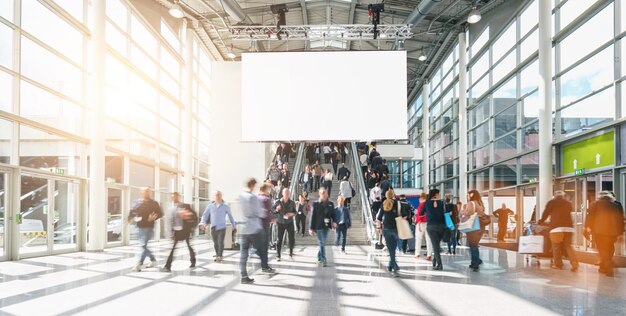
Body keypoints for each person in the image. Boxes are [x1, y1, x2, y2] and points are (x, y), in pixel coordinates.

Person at [239, 178, 274, 284]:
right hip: (254, 228)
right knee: (261, 249)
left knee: (243, 253)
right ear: (253, 185)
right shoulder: (253, 197)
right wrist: (264, 213)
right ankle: (263, 263)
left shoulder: (241, 196)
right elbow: (260, 213)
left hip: (244, 227)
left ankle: (244, 276)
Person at [585, 191, 625, 277]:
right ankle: (603, 267)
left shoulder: (595, 204)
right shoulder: (616, 206)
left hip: (599, 231)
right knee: (610, 248)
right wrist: (621, 233)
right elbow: (620, 220)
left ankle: (608, 266)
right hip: (612, 232)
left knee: (602, 249)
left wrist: (587, 227)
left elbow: (590, 216)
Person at [539, 191, 579, 272]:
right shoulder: (568, 203)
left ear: (554, 196)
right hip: (569, 228)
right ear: (563, 196)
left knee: (556, 246)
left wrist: (541, 221)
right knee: (569, 246)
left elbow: (546, 213)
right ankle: (574, 262)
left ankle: (558, 264)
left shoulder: (551, 202)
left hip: (556, 228)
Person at [129, 187, 163, 272]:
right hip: (139, 226)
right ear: (141, 193)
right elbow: (132, 211)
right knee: (143, 246)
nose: (146, 193)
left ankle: (138, 264)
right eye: (144, 192)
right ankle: (153, 260)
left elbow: (160, 213)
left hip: (149, 227)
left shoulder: (154, 203)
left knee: (143, 245)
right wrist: (129, 219)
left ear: (150, 193)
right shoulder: (137, 202)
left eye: (147, 191)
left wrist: (154, 217)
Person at [200, 191, 237, 263]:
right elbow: (205, 215)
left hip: (222, 227)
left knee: (220, 242)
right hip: (213, 227)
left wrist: (233, 225)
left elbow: (230, 216)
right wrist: (202, 223)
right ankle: (217, 254)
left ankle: (219, 256)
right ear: (214, 196)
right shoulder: (210, 206)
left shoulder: (225, 206)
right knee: (215, 243)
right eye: (216, 195)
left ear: (221, 196)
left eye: (219, 195)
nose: (218, 196)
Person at [376, 190, 407, 276]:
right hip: (396, 228)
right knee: (393, 248)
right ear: (393, 195)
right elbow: (404, 215)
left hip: (386, 228)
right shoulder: (397, 203)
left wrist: (378, 227)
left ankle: (391, 264)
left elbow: (379, 217)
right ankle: (394, 266)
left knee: (391, 249)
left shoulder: (383, 203)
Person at [163, 198, 198, 272]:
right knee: (173, 249)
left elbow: (194, 217)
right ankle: (168, 265)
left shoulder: (186, 206)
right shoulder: (172, 209)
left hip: (186, 231)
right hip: (177, 232)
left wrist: (187, 218)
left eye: (175, 197)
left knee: (189, 246)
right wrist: (171, 232)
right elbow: (171, 221)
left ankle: (193, 261)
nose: (174, 199)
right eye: (173, 197)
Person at [309, 188, 337, 267]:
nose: (324, 194)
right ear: (320, 194)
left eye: (325, 193)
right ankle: (323, 259)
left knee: (322, 242)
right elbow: (312, 216)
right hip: (318, 226)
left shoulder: (330, 204)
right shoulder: (316, 204)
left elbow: (334, 214)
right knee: (322, 242)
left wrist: (334, 222)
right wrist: (311, 228)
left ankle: (319, 256)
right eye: (323, 193)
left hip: (326, 226)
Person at [421, 189, 446, 270]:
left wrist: (428, 212)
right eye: (439, 193)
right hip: (441, 226)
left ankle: (440, 264)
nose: (439, 195)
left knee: (435, 246)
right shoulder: (442, 202)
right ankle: (434, 262)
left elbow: (421, 213)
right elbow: (444, 213)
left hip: (431, 226)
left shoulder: (426, 203)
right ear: (435, 194)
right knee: (437, 245)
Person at [462, 190, 486, 272]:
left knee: (473, 245)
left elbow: (469, 212)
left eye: (468, 195)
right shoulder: (480, 203)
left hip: (474, 226)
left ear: (471, 195)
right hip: (481, 226)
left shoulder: (471, 203)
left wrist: (464, 212)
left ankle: (475, 263)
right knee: (474, 244)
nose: (467, 196)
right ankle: (475, 261)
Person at [273, 188, 297, 261]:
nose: (287, 194)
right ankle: (278, 255)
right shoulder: (277, 202)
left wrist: (291, 214)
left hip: (289, 222)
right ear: (282, 194)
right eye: (285, 193)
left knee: (291, 239)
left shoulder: (292, 202)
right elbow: (273, 211)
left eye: (288, 193)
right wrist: (277, 209)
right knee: (279, 240)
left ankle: (290, 254)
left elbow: (295, 212)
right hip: (280, 223)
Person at [258, 183, 274, 263]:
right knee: (264, 246)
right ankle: (264, 265)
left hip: (257, 225)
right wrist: (272, 219)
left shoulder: (256, 198)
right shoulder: (266, 199)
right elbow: (267, 212)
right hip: (265, 225)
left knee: (261, 244)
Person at [414, 193, 433, 260]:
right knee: (428, 239)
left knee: (418, 239)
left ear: (421, 198)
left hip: (421, 223)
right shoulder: (429, 204)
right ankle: (429, 254)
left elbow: (419, 214)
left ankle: (417, 253)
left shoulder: (421, 204)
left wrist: (418, 224)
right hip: (428, 223)